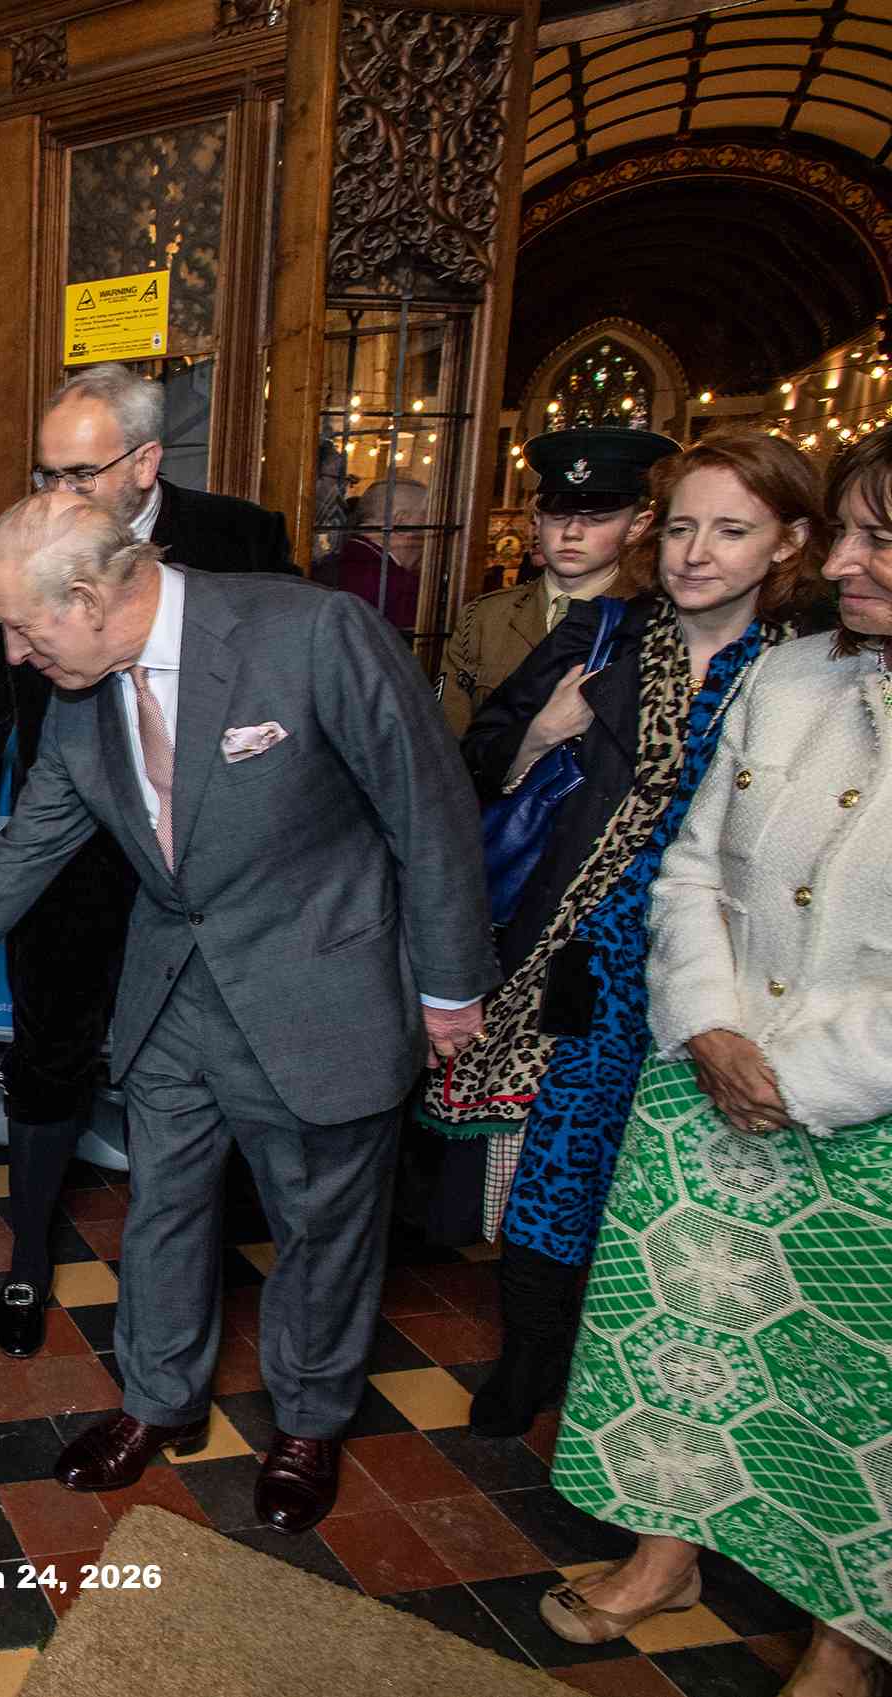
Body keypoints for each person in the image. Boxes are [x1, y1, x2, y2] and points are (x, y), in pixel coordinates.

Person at [0, 490, 495, 1534]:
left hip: (314, 989)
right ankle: (156, 1398)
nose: (13, 655)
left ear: (92, 597)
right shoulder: (79, 699)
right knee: (161, 1207)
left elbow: (428, 809)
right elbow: (28, 847)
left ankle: (307, 1419)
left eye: (25, 627)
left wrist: (450, 988)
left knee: (321, 1224)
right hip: (172, 996)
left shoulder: (313, 633)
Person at [535, 428, 892, 1695]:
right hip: (709, 1064)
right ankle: (662, 1550)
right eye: (844, 529)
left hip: (868, 1107)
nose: (843, 558)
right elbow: (691, 862)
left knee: (856, 1378)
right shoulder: (791, 677)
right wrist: (709, 1024)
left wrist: (808, 1073)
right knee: (685, 1328)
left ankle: (848, 1636)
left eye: (876, 537)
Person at [425, 433, 819, 1438]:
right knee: (561, 1156)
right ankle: (529, 1356)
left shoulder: (805, 671)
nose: (697, 551)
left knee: (688, 1174)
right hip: (587, 952)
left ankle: (662, 1365)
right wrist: (540, 734)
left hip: (733, 969)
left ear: (787, 543)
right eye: (684, 526)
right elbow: (472, 756)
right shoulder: (604, 636)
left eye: (731, 530)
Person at [0, 363, 298, 1359]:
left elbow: (289, 695)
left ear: (146, 462)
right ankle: (29, 1254)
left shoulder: (241, 538)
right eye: (46, 471)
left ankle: (203, 1276)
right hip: (68, 852)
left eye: (79, 473)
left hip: (209, 862)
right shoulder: (29, 549)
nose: (57, 495)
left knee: (215, 1058)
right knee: (50, 1052)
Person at [439, 427, 676, 737]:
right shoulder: (485, 619)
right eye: (558, 516)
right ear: (537, 521)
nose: (572, 532)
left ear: (636, 526)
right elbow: (445, 742)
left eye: (597, 518)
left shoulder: (654, 622)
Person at [323, 475, 429, 631]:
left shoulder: (331, 562)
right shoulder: (400, 587)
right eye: (426, 518)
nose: (431, 533)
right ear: (401, 523)